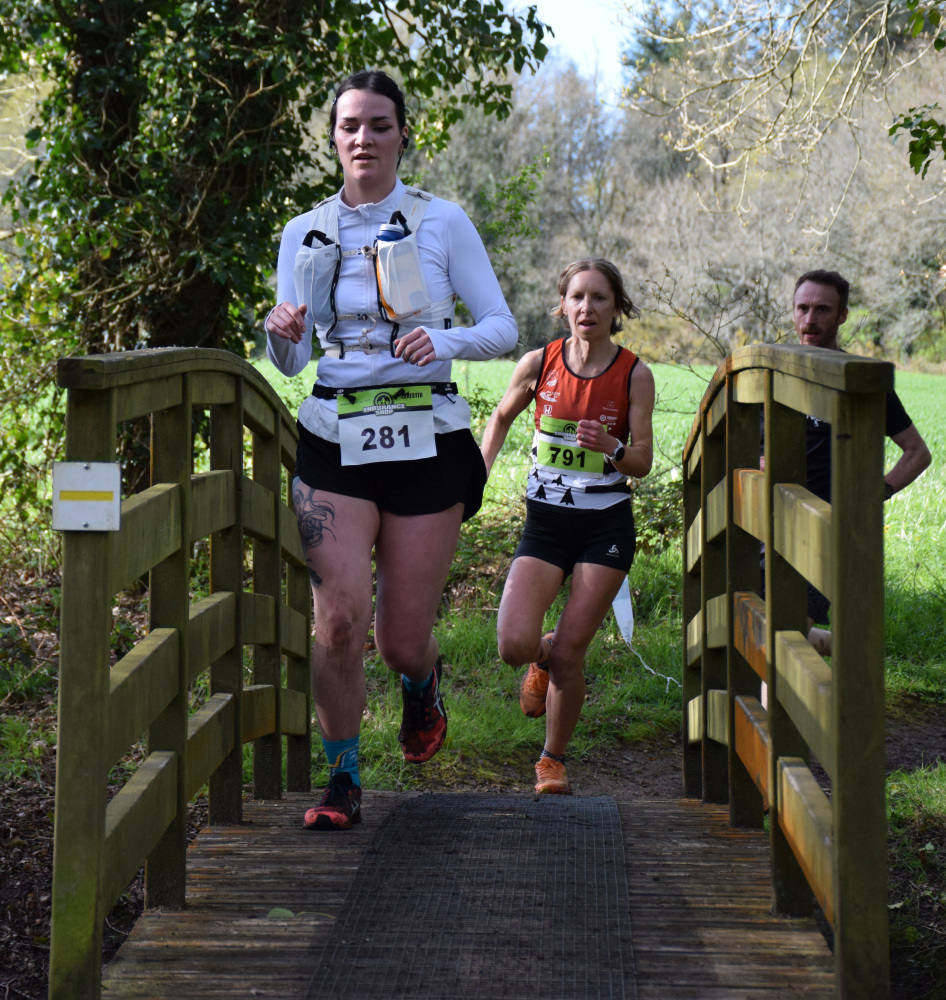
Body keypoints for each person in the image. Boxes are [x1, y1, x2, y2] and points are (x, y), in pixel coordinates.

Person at [265, 70, 517, 829]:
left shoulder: (442, 221)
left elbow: (501, 326)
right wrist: (281, 334)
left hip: (424, 439)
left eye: (379, 124)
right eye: (350, 126)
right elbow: (292, 362)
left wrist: (442, 340)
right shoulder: (305, 230)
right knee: (338, 621)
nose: (364, 138)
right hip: (334, 438)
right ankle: (342, 780)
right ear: (333, 139)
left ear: (403, 134)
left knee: (401, 640)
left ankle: (420, 681)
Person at [480, 258, 654, 795]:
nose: (587, 308)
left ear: (616, 307)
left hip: (605, 527)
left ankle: (551, 759)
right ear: (562, 305)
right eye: (577, 297)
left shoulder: (634, 374)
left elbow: (642, 461)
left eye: (599, 297)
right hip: (547, 524)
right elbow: (501, 418)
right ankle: (540, 654)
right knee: (514, 644)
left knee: (570, 656)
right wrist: (476, 476)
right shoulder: (540, 363)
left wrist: (613, 447)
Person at [786, 270, 931, 655]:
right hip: (769, 524)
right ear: (793, 311)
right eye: (803, 308)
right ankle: (847, 647)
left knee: (784, 639)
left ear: (842, 315)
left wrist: (875, 492)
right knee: (765, 629)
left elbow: (917, 452)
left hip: (827, 530)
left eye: (822, 309)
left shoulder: (860, 382)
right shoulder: (772, 373)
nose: (810, 319)